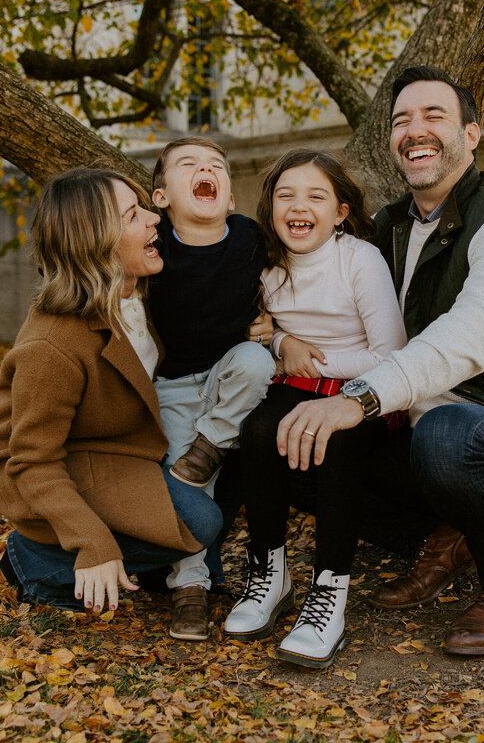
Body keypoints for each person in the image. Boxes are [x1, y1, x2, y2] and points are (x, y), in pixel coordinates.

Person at [276, 66, 484, 656]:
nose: (414, 130)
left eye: (433, 116)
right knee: (295, 447)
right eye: (401, 121)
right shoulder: (388, 225)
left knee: (447, 439)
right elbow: (323, 299)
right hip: (409, 423)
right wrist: (273, 338)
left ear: (472, 133)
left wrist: (358, 398)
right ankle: (450, 533)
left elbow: (470, 337)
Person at [0, 168, 223, 622]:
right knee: (201, 520)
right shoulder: (51, 345)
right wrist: (91, 542)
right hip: (54, 468)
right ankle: (35, 562)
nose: (155, 220)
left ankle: (159, 562)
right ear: (96, 242)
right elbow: (31, 460)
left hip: (119, 451)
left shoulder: (140, 293)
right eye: (134, 215)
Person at [221, 150, 407, 668]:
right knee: (258, 429)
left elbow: (391, 353)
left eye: (315, 196)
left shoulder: (359, 259)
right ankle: (269, 575)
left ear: (341, 211)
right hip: (296, 380)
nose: (298, 206)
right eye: (285, 195)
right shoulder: (266, 264)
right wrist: (281, 342)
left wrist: (309, 360)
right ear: (270, 207)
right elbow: (258, 332)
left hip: (363, 388)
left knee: (336, 442)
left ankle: (329, 595)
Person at [145, 137, 277, 640]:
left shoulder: (249, 238)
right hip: (175, 383)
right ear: (161, 198)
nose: (205, 169)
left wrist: (273, 327)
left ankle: (214, 442)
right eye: (189, 165)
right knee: (186, 487)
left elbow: (292, 285)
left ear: (229, 197)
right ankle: (190, 585)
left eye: (215, 166)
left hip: (231, 374)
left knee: (254, 361)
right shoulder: (154, 245)